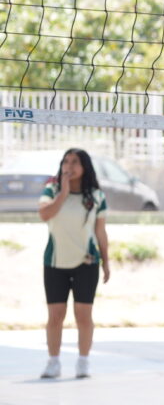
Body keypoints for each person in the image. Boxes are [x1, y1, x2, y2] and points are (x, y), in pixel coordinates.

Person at [37, 148, 110, 380]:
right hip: (55, 262)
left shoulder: (96, 196)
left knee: (83, 314)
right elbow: (45, 214)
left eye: (75, 162)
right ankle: (53, 362)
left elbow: (100, 230)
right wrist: (64, 192)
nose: (69, 166)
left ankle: (83, 361)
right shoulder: (52, 190)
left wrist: (106, 260)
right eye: (66, 162)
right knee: (56, 314)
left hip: (86, 262)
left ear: (84, 167)